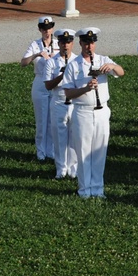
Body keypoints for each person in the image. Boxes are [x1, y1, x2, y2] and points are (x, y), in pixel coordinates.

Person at [62, 27, 125, 198]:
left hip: (102, 111)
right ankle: (84, 189)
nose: (89, 47)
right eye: (86, 43)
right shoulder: (73, 65)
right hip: (82, 111)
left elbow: (121, 72)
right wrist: (85, 89)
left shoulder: (102, 59)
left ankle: (98, 188)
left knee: (99, 151)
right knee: (83, 152)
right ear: (80, 43)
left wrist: (112, 66)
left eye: (92, 43)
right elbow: (68, 93)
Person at [20, 16, 58, 161]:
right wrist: (36, 55)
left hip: (54, 82)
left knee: (52, 119)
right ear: (39, 29)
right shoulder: (35, 44)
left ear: (52, 28)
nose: (46, 31)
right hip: (40, 81)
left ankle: (51, 151)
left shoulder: (58, 43)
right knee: (41, 119)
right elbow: (23, 63)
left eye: (49, 28)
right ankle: (41, 152)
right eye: (43, 29)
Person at [45, 28, 78, 180]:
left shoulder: (78, 60)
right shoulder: (51, 62)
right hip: (58, 100)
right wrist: (61, 76)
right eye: (63, 42)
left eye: (69, 42)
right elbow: (48, 85)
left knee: (74, 137)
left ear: (73, 43)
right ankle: (61, 169)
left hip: (74, 102)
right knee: (59, 137)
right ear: (59, 43)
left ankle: (73, 168)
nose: (66, 45)